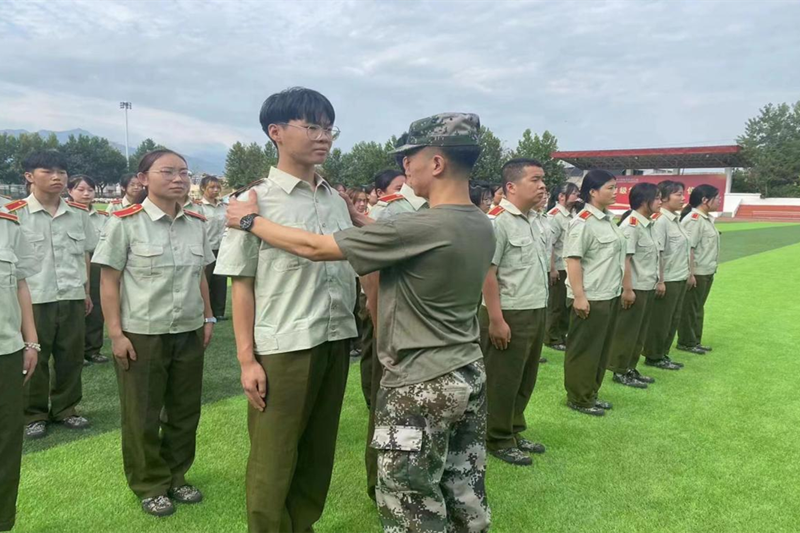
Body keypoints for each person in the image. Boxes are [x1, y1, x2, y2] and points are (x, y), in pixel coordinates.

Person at [225, 112, 493, 533]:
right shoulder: (479, 221)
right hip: (466, 371)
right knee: (462, 492)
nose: (405, 167)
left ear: (437, 163)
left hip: (421, 383)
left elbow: (315, 248)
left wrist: (249, 220)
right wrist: (356, 215)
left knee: (411, 503)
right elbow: (400, 242)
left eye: (410, 158)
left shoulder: (421, 224)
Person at [213, 87, 357, 533]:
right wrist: (247, 359)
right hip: (284, 346)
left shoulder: (335, 200)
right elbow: (242, 284)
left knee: (318, 451)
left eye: (328, 128)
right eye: (311, 126)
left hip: (336, 337)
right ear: (275, 132)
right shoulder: (254, 202)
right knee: (273, 457)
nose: (324, 137)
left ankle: (303, 525)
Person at [92, 149, 215, 517]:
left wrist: (208, 317)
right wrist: (116, 334)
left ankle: (177, 476)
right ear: (143, 179)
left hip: (188, 329)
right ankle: (150, 484)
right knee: (142, 413)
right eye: (168, 172)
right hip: (142, 333)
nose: (179, 179)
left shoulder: (196, 222)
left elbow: (200, 276)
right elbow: (109, 281)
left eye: (184, 172)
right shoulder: (125, 223)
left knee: (184, 410)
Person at [7, 150, 98, 439]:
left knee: (71, 356)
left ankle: (66, 408)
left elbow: (84, 254)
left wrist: (86, 291)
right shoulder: (15, 213)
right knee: (35, 356)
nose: (57, 177)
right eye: (48, 171)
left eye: (62, 171)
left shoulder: (78, 214)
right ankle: (34, 414)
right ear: (29, 176)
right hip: (34, 298)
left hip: (71, 295)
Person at [480, 158, 549, 466]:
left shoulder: (535, 220)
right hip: (509, 313)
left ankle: (513, 427)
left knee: (525, 377)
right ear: (511, 186)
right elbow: (487, 273)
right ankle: (496, 436)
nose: (542, 186)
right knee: (502, 379)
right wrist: (496, 319)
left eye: (543, 180)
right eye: (535, 179)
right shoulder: (497, 222)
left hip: (535, 308)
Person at [563, 169, 626, 417]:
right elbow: (573, 260)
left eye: (615, 187)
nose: (615, 192)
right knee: (585, 350)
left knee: (601, 349)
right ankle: (578, 397)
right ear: (592, 191)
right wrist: (579, 296)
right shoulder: (583, 222)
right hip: (591, 296)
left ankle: (591, 392)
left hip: (609, 293)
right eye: (610, 188)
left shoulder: (608, 220)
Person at [0, 205, 40, 532]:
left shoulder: (6, 221)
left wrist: (31, 341)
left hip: (6, 351)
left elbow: (20, 282)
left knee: (6, 442)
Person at [607, 183, 662, 388]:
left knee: (639, 332)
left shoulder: (648, 225)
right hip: (635, 287)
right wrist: (628, 289)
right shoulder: (631, 225)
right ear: (644, 201)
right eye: (657, 198)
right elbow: (625, 260)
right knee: (627, 331)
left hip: (646, 286)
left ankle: (630, 367)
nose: (660, 202)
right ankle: (619, 369)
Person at [642, 180, 689, 370]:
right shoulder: (660, 221)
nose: (682, 198)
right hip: (667, 278)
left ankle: (663, 353)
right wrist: (660, 280)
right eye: (678, 194)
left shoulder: (675, 220)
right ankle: (654, 355)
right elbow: (658, 253)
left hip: (679, 276)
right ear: (664, 197)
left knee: (672, 319)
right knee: (661, 320)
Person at [67, 175, 111, 365]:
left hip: (97, 263)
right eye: (80, 189)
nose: (86, 194)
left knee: (96, 307)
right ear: (70, 191)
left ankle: (93, 350)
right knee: (74, 309)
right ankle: (74, 352)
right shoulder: (66, 214)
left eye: (90, 190)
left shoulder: (102, 217)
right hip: (73, 263)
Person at [677, 185, 720, 354]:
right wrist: (690, 273)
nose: (719, 201)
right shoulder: (694, 220)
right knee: (690, 308)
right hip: (697, 272)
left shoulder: (705, 219)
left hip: (707, 270)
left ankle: (694, 340)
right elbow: (689, 248)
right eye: (716, 198)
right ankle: (686, 341)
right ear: (704, 200)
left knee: (698, 307)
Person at [544, 182, 579, 351]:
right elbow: (550, 244)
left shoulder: (573, 215)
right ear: (561, 196)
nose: (577, 196)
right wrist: (552, 268)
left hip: (568, 266)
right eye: (573, 193)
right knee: (556, 304)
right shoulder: (555, 216)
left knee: (565, 304)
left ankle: (561, 334)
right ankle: (552, 337)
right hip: (558, 265)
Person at [195, 175, 229, 320]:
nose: (215, 190)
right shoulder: (198, 207)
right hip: (206, 249)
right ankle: (203, 312)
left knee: (220, 281)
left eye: (217, 187)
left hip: (222, 248)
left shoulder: (224, 207)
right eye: (211, 187)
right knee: (205, 280)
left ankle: (219, 312)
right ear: (203, 188)